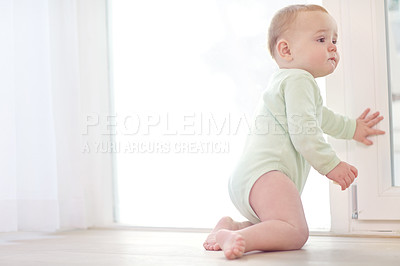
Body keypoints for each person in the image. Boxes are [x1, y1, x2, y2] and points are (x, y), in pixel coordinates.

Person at [203, 4, 386, 260]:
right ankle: (237, 238)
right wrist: (331, 165)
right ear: (286, 50)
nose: (333, 46)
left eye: (334, 40)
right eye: (321, 39)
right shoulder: (299, 80)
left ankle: (232, 227)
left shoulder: (287, 82)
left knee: (278, 225)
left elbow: (323, 117)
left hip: (251, 178)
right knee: (296, 232)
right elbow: (305, 132)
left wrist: (353, 128)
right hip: (267, 175)